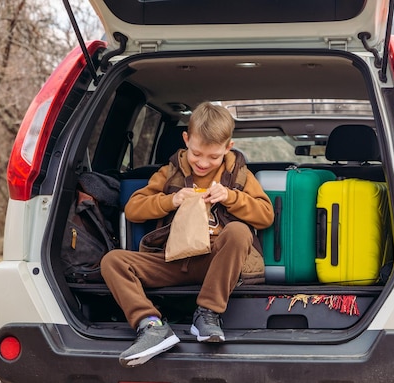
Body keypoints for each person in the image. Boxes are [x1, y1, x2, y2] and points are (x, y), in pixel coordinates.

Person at [100, 102, 274, 367]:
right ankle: (151, 326)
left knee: (238, 231)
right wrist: (171, 200)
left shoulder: (239, 174)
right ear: (186, 140)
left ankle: (207, 314)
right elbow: (133, 208)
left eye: (213, 157)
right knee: (113, 261)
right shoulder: (170, 172)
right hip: (174, 259)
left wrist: (231, 197)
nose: (203, 163)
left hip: (217, 263)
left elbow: (266, 215)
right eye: (196, 154)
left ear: (228, 147)